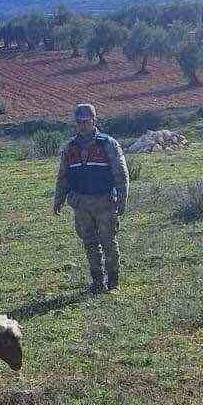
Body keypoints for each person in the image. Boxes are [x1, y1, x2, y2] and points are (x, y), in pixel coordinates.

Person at [52, 103, 130, 294]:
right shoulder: (70, 147)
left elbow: (121, 173)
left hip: (104, 202)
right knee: (89, 243)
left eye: (86, 121)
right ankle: (97, 281)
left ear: (94, 120)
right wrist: (58, 200)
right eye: (79, 122)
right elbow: (63, 176)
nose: (82, 125)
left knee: (108, 242)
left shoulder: (108, 144)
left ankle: (113, 282)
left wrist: (122, 198)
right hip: (81, 204)